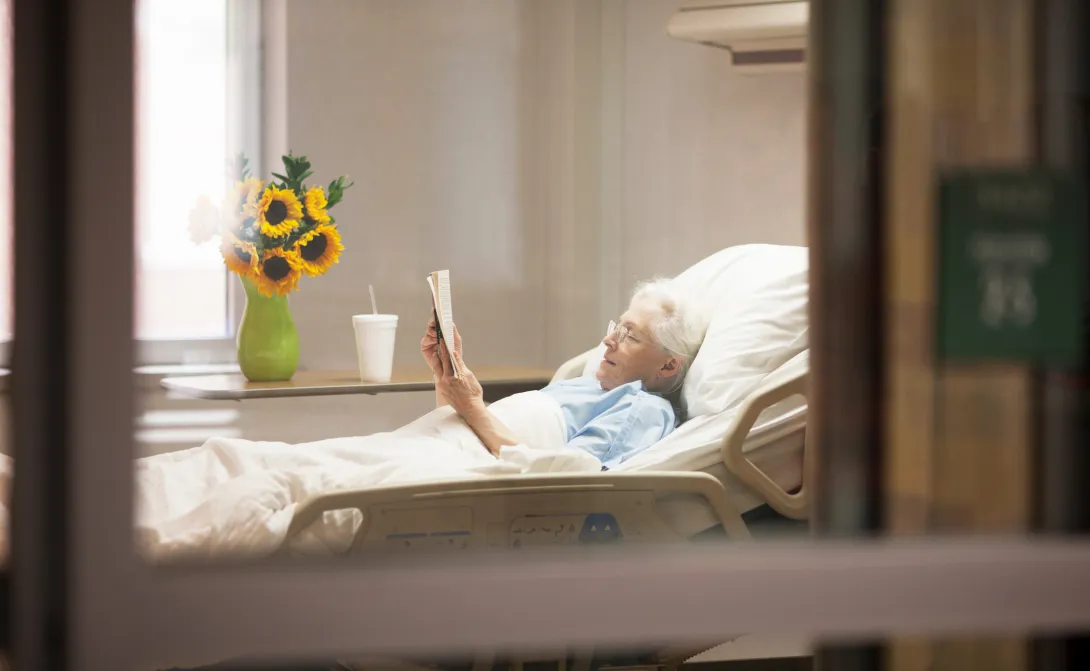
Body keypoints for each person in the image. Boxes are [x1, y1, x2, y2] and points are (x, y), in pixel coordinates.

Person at [422, 277, 704, 469]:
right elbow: (467, 436)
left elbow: (563, 479)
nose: (609, 341)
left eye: (630, 336)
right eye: (617, 328)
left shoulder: (642, 408)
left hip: (445, 466)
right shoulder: (582, 387)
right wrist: (445, 374)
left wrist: (472, 406)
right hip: (437, 450)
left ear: (668, 366)